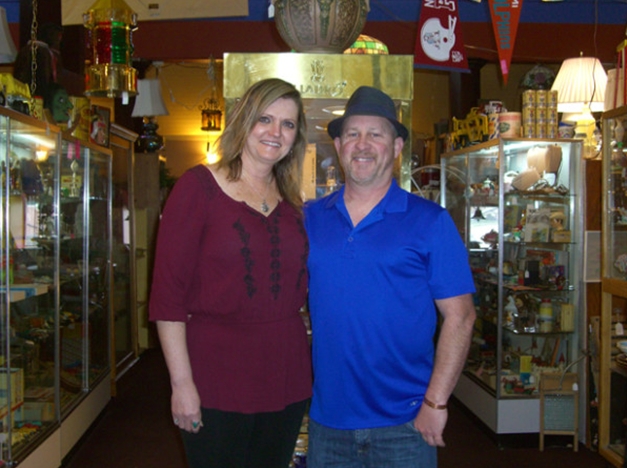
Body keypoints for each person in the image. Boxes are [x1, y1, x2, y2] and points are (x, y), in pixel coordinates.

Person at [304, 86, 477, 467]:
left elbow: (461, 316)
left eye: (375, 134)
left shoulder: (431, 222)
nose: (362, 144)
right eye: (352, 133)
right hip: (328, 423)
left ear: (397, 147)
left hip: (406, 424)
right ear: (338, 145)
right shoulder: (310, 219)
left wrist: (437, 401)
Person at [149, 78, 311, 468]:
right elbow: (168, 298)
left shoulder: (293, 203)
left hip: (287, 376)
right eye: (265, 119)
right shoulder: (197, 188)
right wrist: (181, 384)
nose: (276, 132)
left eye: (288, 124)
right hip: (216, 376)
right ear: (243, 121)